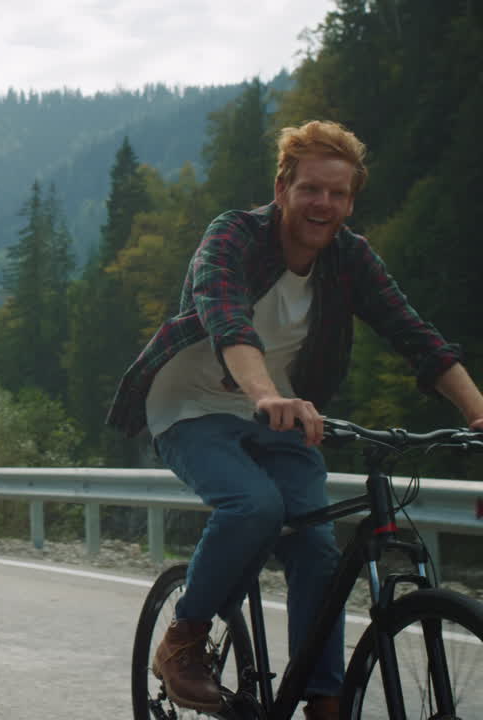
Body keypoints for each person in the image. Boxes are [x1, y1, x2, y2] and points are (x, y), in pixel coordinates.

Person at [107, 120, 483, 719]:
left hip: (280, 410)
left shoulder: (350, 258)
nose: (322, 204)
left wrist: (478, 413)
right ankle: (184, 637)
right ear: (282, 188)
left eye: (337, 193)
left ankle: (324, 697)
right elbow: (227, 318)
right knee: (254, 506)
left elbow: (416, 336)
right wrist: (264, 394)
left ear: (350, 202)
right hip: (191, 405)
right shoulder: (232, 236)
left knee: (315, 542)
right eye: (310, 188)